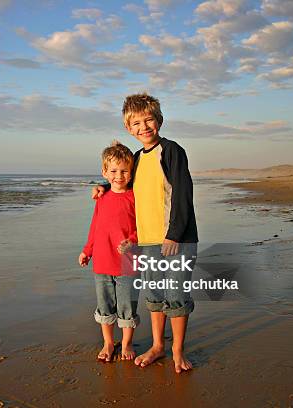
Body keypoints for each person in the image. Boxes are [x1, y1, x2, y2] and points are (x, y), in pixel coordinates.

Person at [93, 93, 198, 373]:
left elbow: (183, 194)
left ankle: (177, 350)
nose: (144, 126)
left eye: (148, 119)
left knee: (175, 294)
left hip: (176, 239)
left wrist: (174, 234)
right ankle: (157, 346)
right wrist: (102, 186)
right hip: (147, 240)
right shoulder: (137, 158)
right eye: (136, 123)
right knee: (153, 295)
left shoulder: (172, 151)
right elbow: (121, 180)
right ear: (129, 128)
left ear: (159, 120)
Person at [79, 141, 140, 362]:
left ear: (131, 173)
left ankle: (126, 342)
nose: (119, 175)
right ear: (104, 172)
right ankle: (107, 342)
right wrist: (87, 250)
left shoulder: (135, 197)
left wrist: (132, 241)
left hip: (128, 262)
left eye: (124, 171)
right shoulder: (101, 197)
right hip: (103, 261)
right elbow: (95, 226)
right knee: (105, 304)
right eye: (113, 171)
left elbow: (142, 226)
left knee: (126, 305)